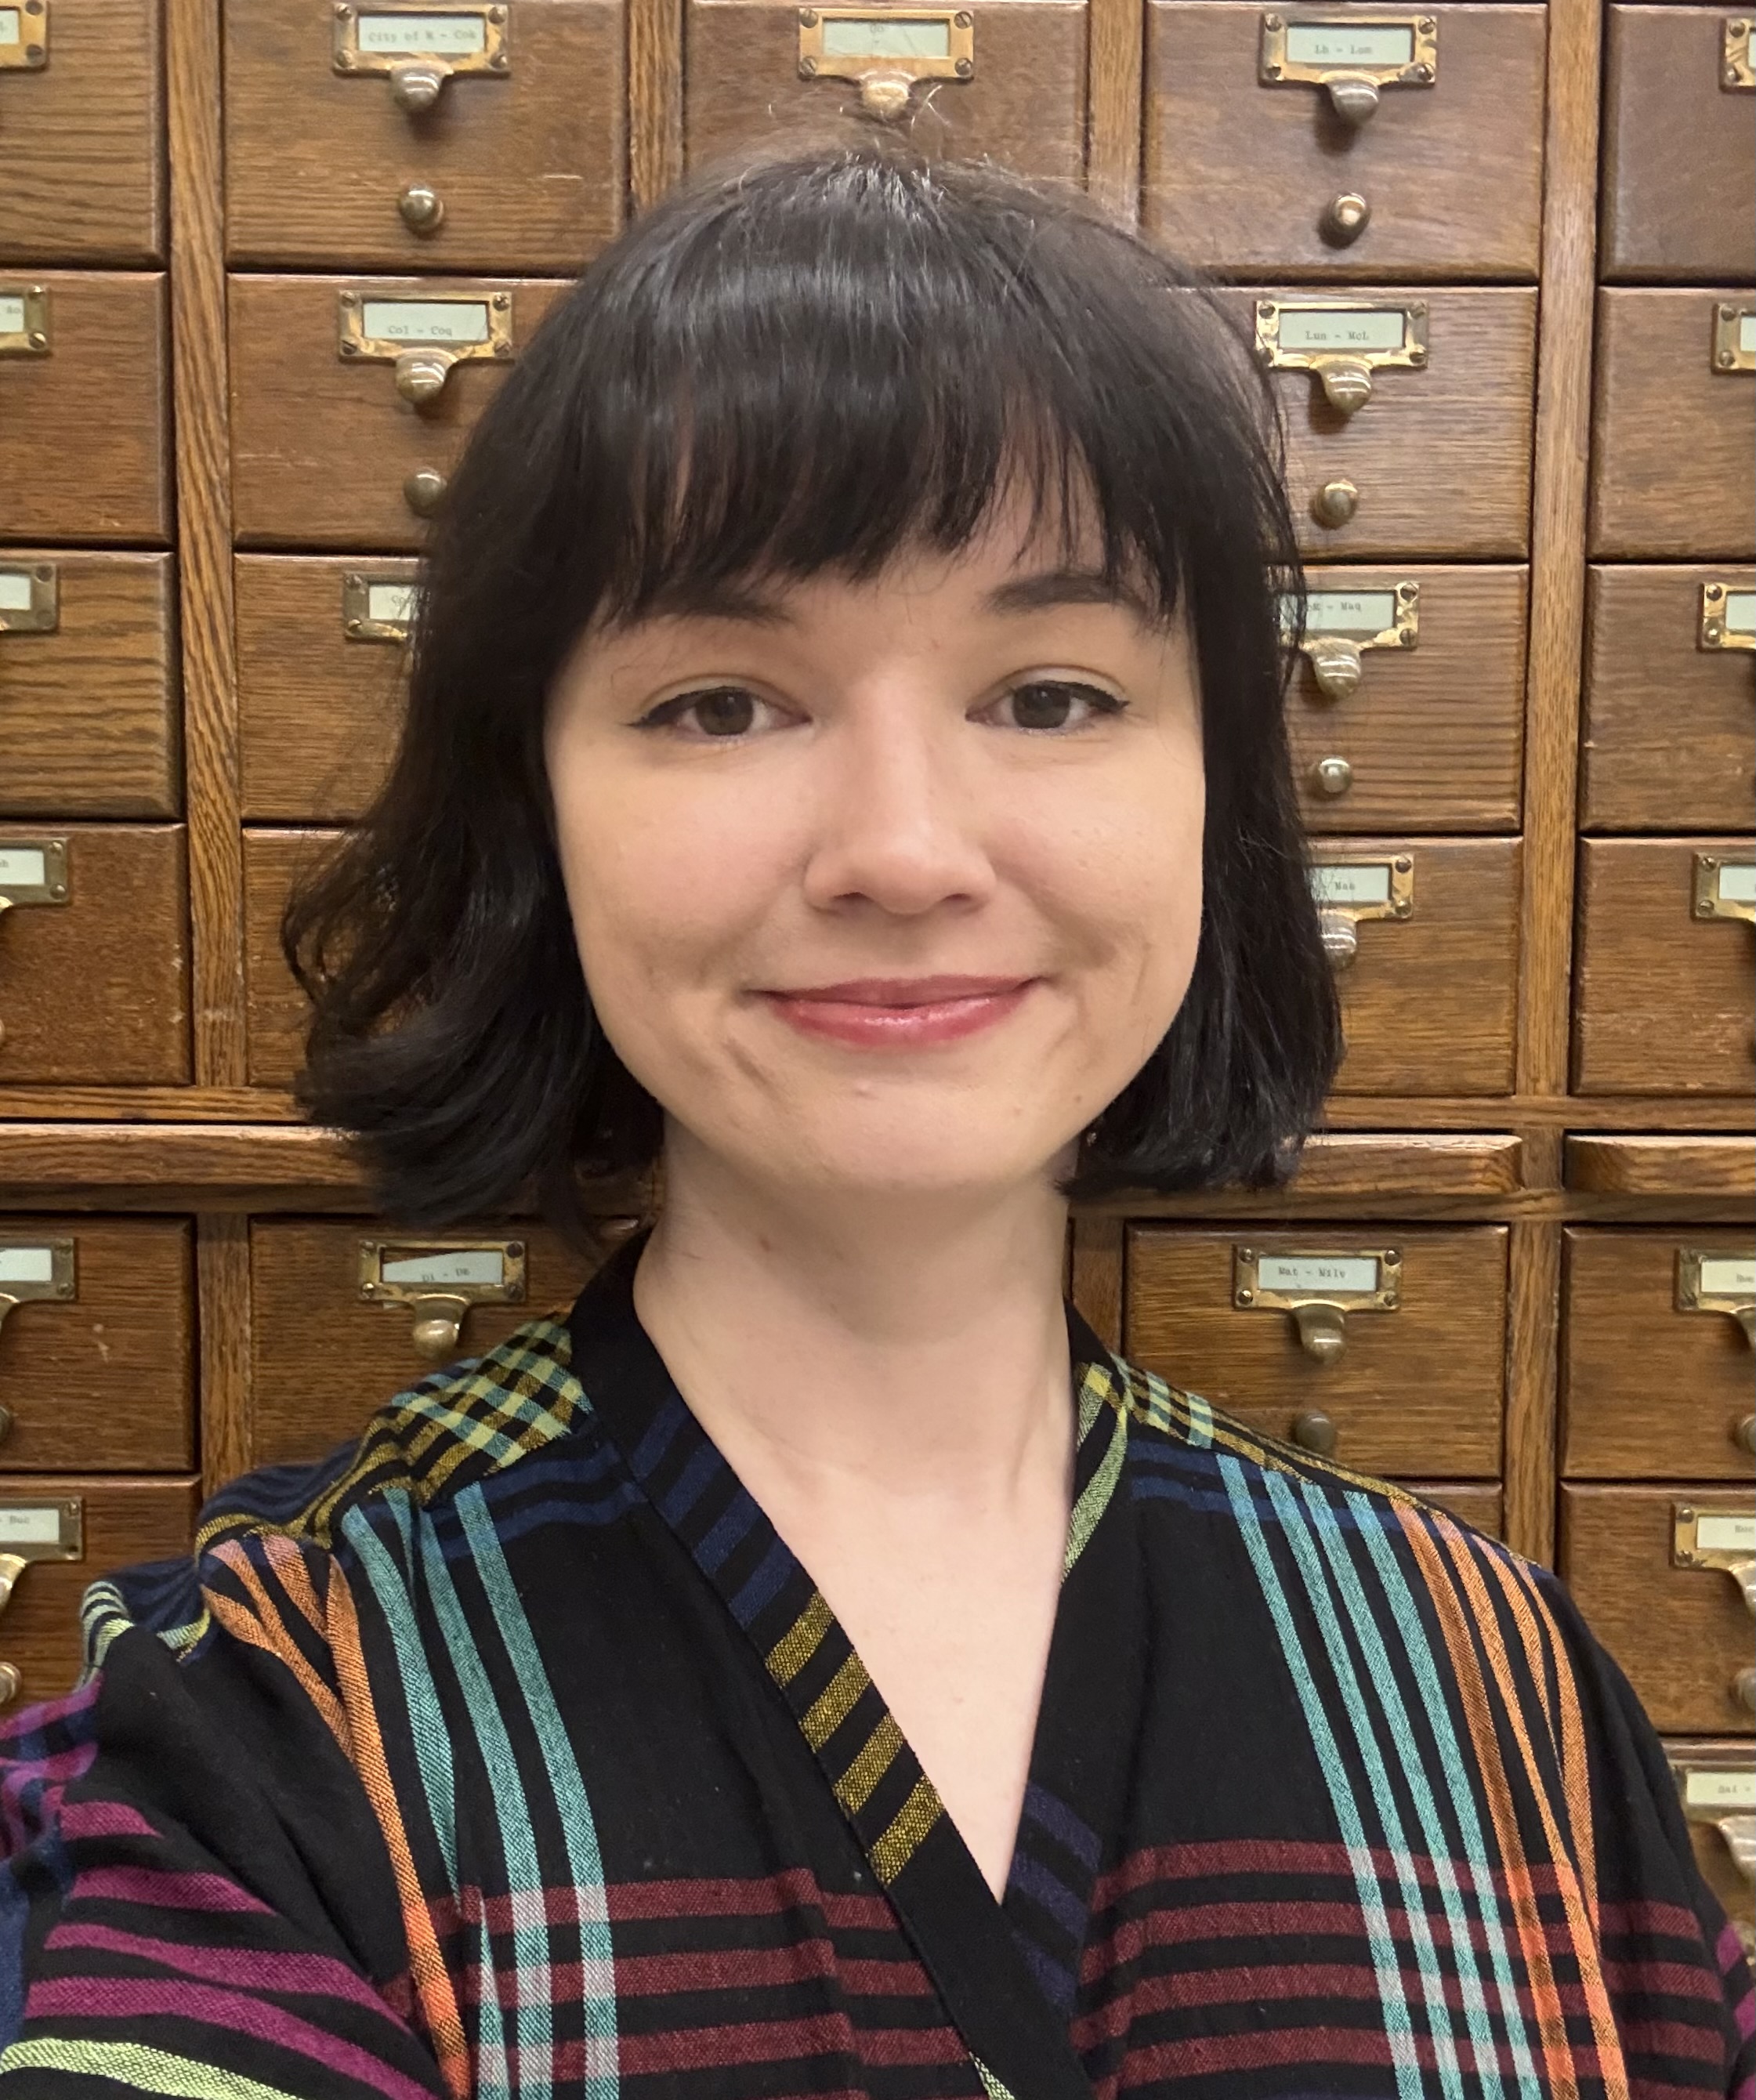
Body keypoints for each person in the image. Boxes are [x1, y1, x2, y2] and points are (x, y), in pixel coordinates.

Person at [0, 147, 1747, 2100]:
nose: (903, 851)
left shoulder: (1506, 1687)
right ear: (535, 812)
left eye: (1052, 694)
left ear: (1216, 800)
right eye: (719, 704)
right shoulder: (271, 1702)